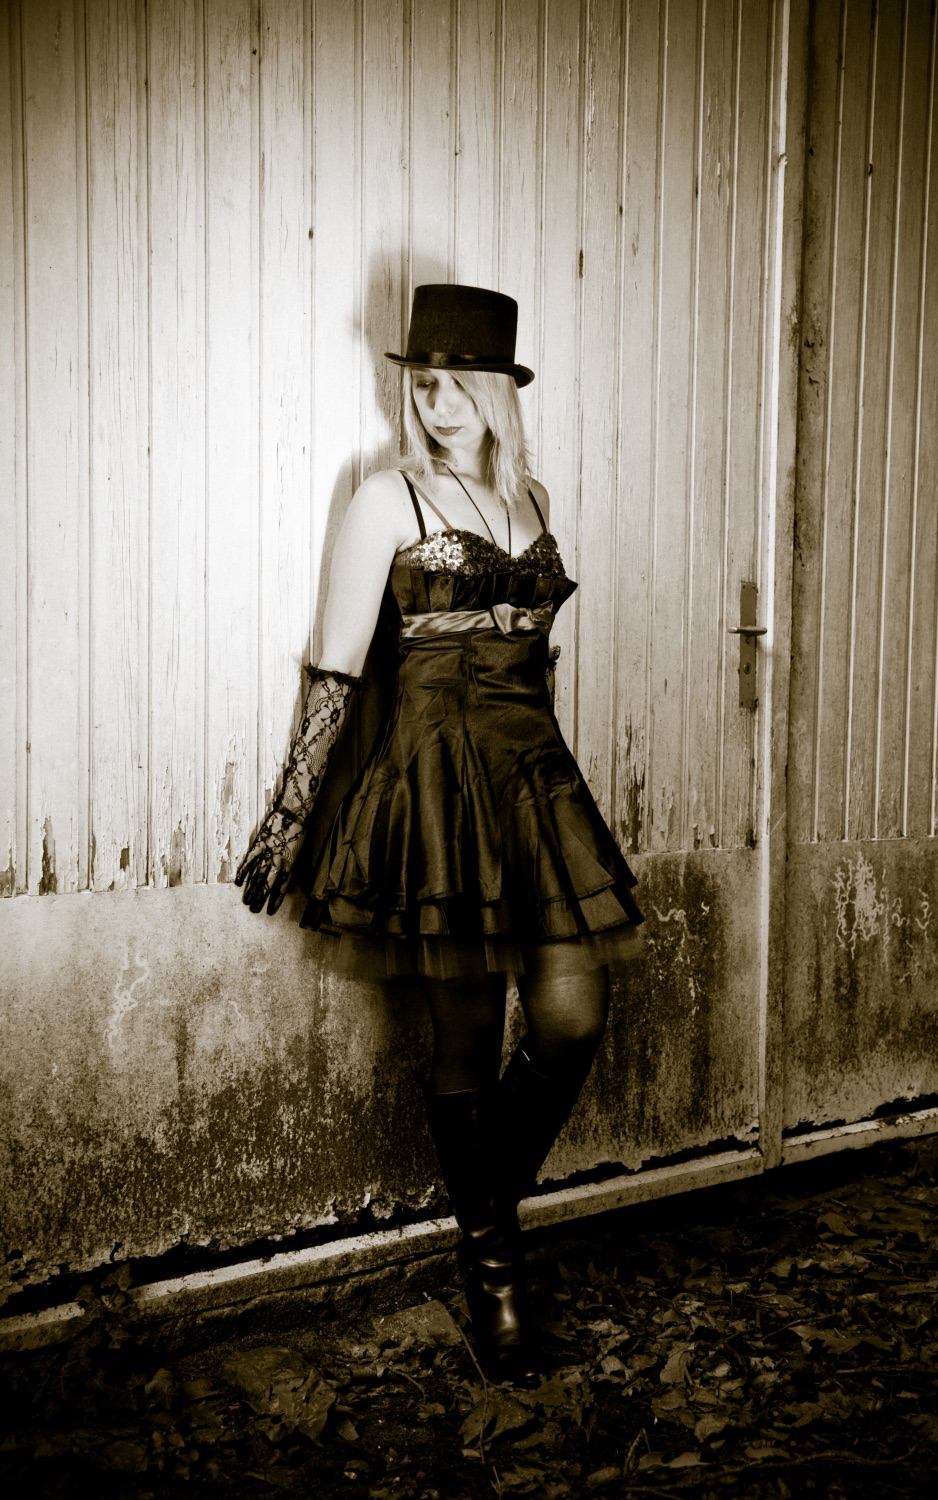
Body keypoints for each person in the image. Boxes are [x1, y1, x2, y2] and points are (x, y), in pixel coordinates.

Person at [236, 284, 643, 1380]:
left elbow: (537, 663)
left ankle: (480, 1220)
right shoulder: (388, 497)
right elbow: (336, 664)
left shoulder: (531, 498)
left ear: (499, 392)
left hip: (533, 776)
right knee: (465, 1039)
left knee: (570, 1018)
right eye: (422, 383)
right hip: (432, 784)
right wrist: (290, 814)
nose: (436, 401)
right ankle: (497, 1288)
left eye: (458, 383)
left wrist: (549, 786)